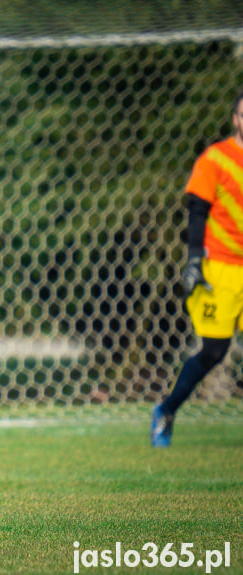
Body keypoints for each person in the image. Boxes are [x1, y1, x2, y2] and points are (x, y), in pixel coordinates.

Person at [151, 90, 243, 447]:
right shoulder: (216, 159)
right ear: (236, 119)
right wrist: (193, 261)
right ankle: (167, 409)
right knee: (214, 353)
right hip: (219, 268)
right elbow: (197, 211)